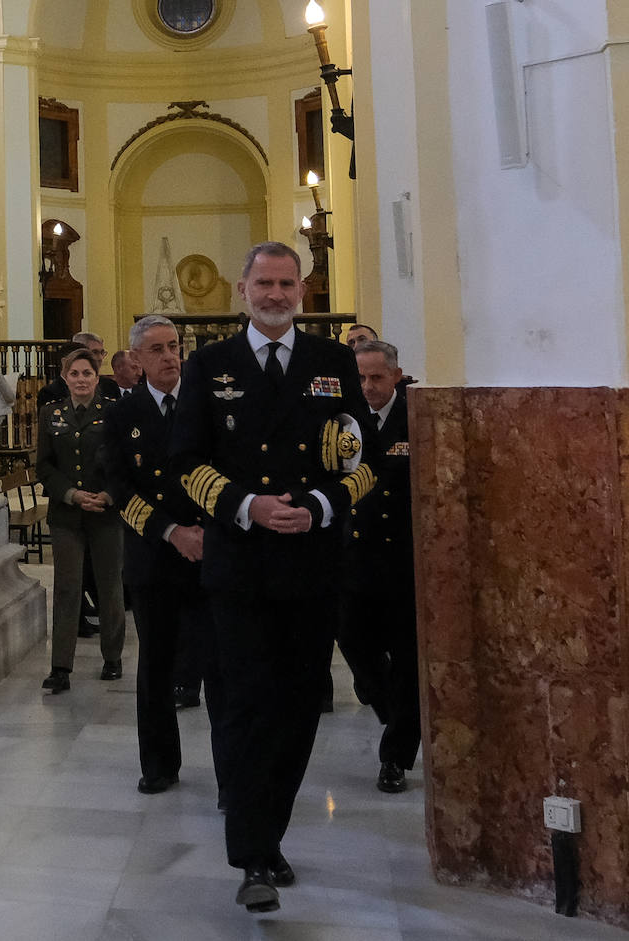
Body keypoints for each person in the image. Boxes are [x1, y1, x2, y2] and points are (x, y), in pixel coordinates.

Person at [171, 241, 379, 913]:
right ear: (242, 288)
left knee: (296, 713)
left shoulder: (333, 362)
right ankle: (253, 854)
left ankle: (271, 832)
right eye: (264, 282)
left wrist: (319, 507)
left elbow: (362, 460)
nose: (276, 293)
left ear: (302, 290)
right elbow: (186, 461)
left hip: (312, 565)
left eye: (288, 283)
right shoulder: (210, 365)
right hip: (241, 565)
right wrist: (246, 505)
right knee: (250, 706)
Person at [103, 315, 227, 797]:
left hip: (208, 554)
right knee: (155, 666)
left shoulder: (206, 405)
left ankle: (228, 775)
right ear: (135, 360)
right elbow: (121, 490)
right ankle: (159, 764)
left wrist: (207, 533)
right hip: (155, 557)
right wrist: (172, 532)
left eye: (174, 346)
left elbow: (222, 473)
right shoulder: (120, 414)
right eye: (156, 349)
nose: (169, 356)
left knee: (218, 668)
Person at [339, 339, 420, 793]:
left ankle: (396, 756)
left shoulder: (415, 416)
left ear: (395, 375)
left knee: (407, 658)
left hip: (401, 556)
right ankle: (394, 707)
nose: (368, 387)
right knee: (352, 639)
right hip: (355, 553)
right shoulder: (344, 422)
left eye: (376, 377)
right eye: (361, 378)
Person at [37, 348, 126, 693]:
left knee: (109, 585)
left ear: (97, 375)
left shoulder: (114, 412)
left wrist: (108, 495)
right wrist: (72, 495)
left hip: (105, 511)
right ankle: (60, 666)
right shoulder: (51, 413)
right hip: (67, 514)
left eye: (87, 373)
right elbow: (44, 466)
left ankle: (113, 657)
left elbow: (124, 462)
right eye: (74, 374)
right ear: (65, 377)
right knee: (67, 587)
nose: (81, 380)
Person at [37, 332, 121, 408]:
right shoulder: (50, 393)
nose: (99, 358)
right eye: (94, 352)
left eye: (102, 352)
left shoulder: (110, 386)